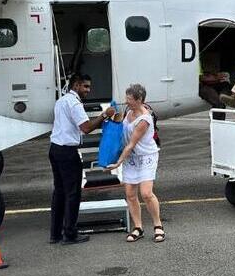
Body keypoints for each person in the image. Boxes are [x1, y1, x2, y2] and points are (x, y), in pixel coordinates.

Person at [48, 73, 115, 245]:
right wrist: (104, 115)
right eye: (85, 86)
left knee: (59, 192)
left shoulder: (61, 101)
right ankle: (70, 234)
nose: (88, 90)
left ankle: (55, 234)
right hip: (67, 152)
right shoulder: (74, 103)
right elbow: (86, 128)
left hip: (55, 149)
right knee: (73, 193)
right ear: (76, 86)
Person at [106, 84, 165, 243]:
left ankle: (158, 226)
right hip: (131, 157)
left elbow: (131, 143)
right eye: (126, 98)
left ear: (139, 100)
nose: (127, 102)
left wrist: (118, 163)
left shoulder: (144, 119)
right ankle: (138, 228)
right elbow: (121, 131)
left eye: (130, 99)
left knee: (146, 193)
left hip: (146, 156)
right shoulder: (129, 112)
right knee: (130, 195)